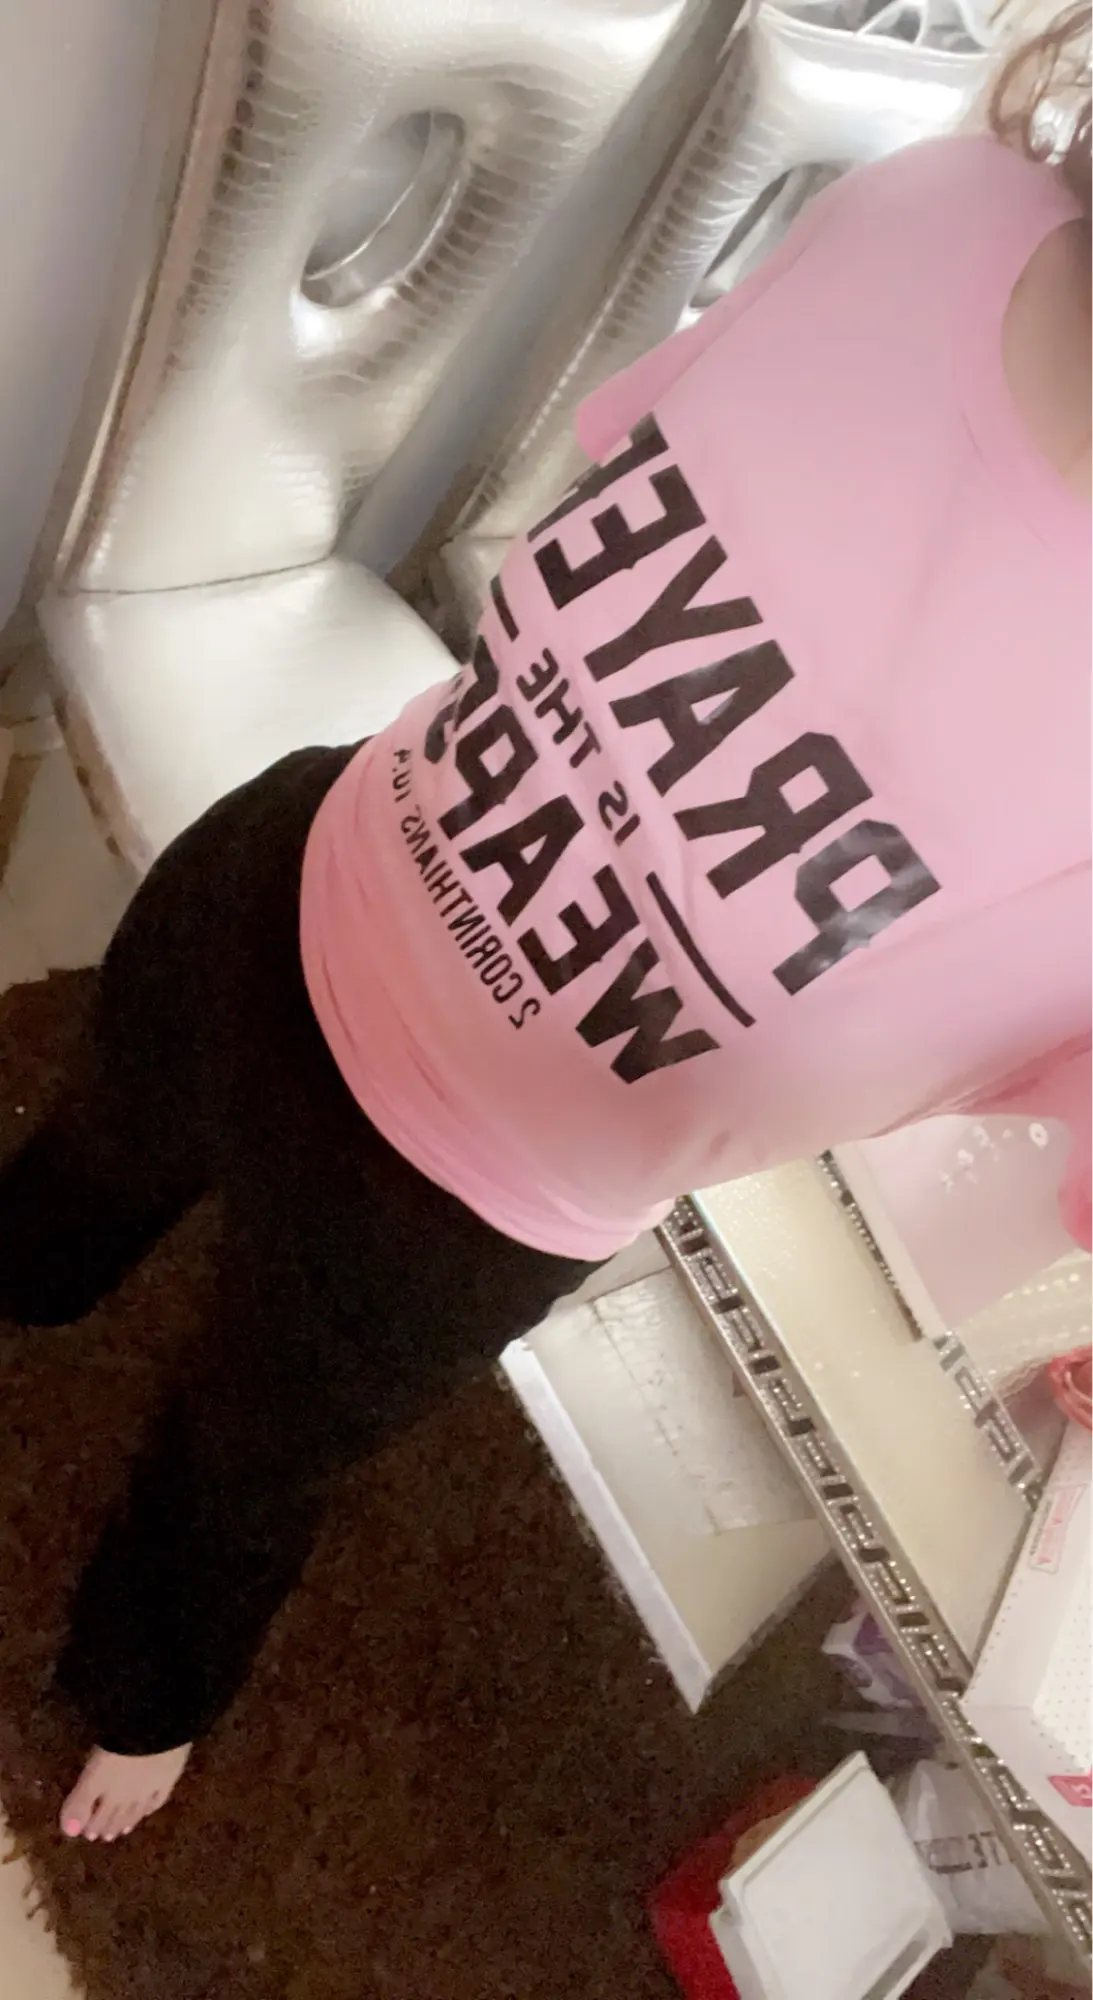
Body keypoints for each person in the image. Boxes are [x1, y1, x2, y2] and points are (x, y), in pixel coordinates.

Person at [1, 9, 1089, 1844]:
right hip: (293, 868)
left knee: (247, 1459)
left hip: (441, 1218)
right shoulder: (938, 217)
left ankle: (146, 1681)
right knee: (91, 1154)